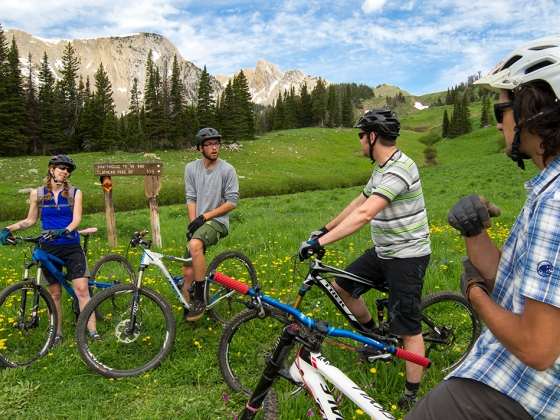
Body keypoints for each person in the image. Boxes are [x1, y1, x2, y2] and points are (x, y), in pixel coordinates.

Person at [407, 35, 560, 420]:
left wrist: (474, 295)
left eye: (502, 110)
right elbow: (514, 288)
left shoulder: (556, 202)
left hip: (516, 389)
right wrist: (475, 232)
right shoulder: (547, 191)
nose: (497, 125)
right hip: (505, 377)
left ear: (533, 110)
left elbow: (538, 348)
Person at [298, 109, 431, 411]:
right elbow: (359, 201)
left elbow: (366, 213)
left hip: (407, 256)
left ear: (373, 137)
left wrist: (320, 243)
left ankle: (413, 392)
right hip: (383, 251)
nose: (359, 140)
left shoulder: (400, 168)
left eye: (361, 134)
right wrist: (325, 228)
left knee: (408, 326)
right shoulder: (382, 168)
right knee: (341, 287)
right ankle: (374, 336)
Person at [0, 155, 100, 345]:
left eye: (68, 170)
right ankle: (57, 333)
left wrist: (66, 230)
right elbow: (30, 220)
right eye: (62, 168)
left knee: (81, 289)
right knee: (54, 294)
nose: (65, 172)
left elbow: (76, 219)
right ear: (51, 169)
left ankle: (93, 331)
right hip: (48, 247)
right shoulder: (36, 194)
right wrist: (8, 229)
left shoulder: (74, 193)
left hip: (71, 245)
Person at [182, 127, 239, 321]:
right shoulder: (191, 169)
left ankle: (199, 298)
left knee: (196, 245)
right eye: (210, 145)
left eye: (217, 144)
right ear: (200, 148)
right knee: (186, 271)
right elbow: (191, 197)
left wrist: (204, 217)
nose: (214, 148)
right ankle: (188, 303)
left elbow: (232, 202)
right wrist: (194, 224)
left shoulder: (227, 170)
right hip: (200, 222)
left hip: (217, 221)